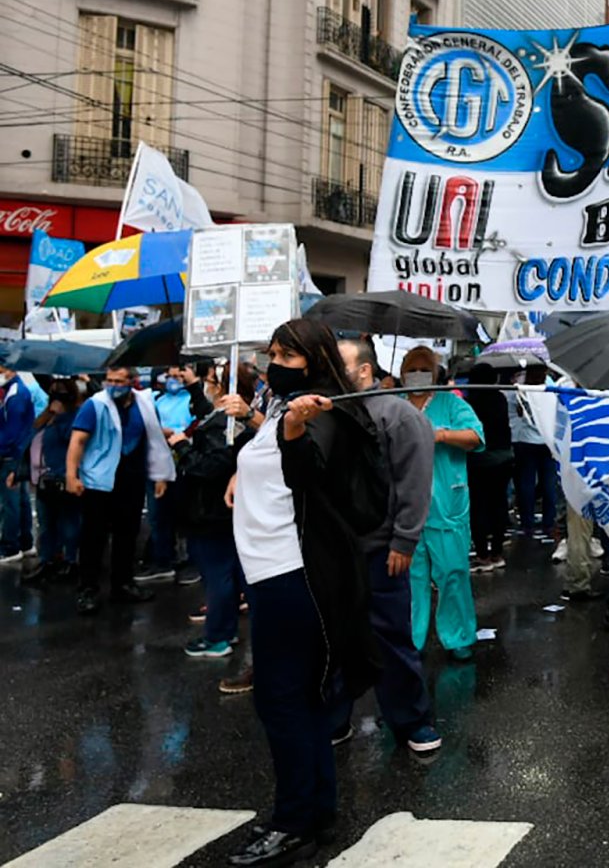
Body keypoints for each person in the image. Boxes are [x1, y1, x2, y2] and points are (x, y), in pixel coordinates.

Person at [226, 320, 384, 867]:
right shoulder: (285, 407)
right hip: (271, 571)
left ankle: (293, 822)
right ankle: (317, 811)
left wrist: (294, 431)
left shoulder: (324, 412)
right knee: (305, 700)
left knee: (282, 701)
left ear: (313, 359)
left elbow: (310, 478)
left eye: (285, 355)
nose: (273, 363)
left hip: (293, 576)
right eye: (271, 353)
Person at [335, 338, 442, 751]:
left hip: (383, 550)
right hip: (336, 551)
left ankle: (412, 720)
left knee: (391, 639)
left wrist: (404, 539)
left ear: (365, 370)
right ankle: (335, 717)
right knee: (337, 639)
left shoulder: (397, 416)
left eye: (341, 364)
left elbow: (415, 482)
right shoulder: (328, 412)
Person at [67, 366, 175, 615]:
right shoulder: (95, 405)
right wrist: (71, 476)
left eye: (119, 381)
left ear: (132, 382)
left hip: (131, 477)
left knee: (127, 534)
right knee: (93, 536)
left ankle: (123, 584)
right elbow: (78, 441)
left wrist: (160, 475)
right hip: (98, 479)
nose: (113, 385)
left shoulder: (144, 404)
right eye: (110, 380)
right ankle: (88, 589)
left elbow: (155, 440)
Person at [400, 346, 484, 662]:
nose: (418, 374)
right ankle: (411, 638)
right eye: (412, 368)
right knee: (411, 577)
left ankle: (458, 635)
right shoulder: (396, 404)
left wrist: (443, 435)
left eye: (424, 368)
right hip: (406, 506)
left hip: (446, 503)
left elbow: (476, 436)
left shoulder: (451, 403)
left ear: (435, 372)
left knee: (452, 571)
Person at [172, 383, 253, 660]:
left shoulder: (224, 426)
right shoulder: (220, 420)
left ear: (220, 386)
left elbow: (211, 467)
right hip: (216, 511)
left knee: (218, 576)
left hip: (211, 512)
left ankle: (218, 636)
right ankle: (224, 629)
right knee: (225, 573)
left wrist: (182, 447)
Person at [21, 378, 83, 584]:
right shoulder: (44, 418)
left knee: (69, 523)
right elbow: (31, 444)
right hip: (42, 479)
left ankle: (70, 561)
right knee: (46, 524)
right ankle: (47, 560)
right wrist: (20, 472)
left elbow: (73, 442)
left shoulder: (72, 418)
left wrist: (61, 417)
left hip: (62, 477)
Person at [141, 364, 198, 584]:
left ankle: (194, 563)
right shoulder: (157, 400)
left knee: (187, 516)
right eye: (170, 376)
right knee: (158, 517)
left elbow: (195, 425)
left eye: (178, 376)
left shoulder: (191, 400)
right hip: (157, 464)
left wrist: (176, 434)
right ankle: (163, 560)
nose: (173, 379)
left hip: (183, 463)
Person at [464, 360, 513, 572]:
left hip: (478, 460)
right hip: (503, 458)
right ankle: (497, 552)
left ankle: (482, 554)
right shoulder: (500, 398)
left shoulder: (470, 402)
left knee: (478, 506)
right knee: (499, 504)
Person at [510, 362, 557, 540]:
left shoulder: (521, 386)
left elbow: (518, 412)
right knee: (549, 484)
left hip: (525, 441)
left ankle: (527, 524)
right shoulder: (551, 385)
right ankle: (549, 524)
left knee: (526, 484)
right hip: (547, 440)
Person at [0, 364, 36, 565]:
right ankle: (25, 543)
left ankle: (9, 547)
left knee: (9, 503)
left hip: (11, 455)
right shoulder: (13, 391)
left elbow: (11, 432)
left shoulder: (15, 395)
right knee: (20, 500)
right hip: (18, 453)